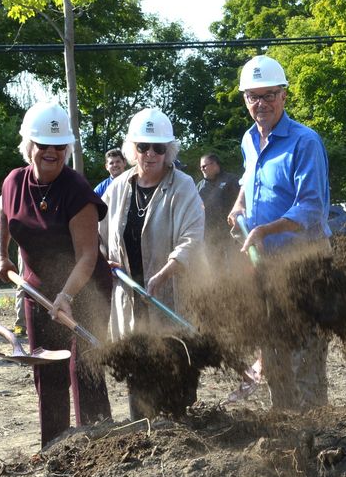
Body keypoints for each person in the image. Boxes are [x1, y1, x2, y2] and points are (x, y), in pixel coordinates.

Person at [0, 100, 113, 444]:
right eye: (43, 144)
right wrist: (1, 255)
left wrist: (67, 296)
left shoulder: (76, 192)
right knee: (48, 369)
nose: (52, 151)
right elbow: (1, 211)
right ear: (28, 145)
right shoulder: (14, 181)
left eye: (59, 145)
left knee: (84, 367)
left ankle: (100, 441)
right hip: (37, 290)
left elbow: (88, 256)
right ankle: (55, 445)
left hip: (86, 288)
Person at [227, 55, 331, 411]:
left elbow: (311, 206)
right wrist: (239, 204)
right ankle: (284, 428)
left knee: (305, 355)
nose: (261, 104)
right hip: (265, 264)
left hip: (304, 265)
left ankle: (317, 433)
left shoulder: (305, 142)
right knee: (273, 352)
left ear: (284, 95)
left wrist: (265, 229)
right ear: (245, 100)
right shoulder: (248, 140)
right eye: (253, 97)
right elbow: (248, 178)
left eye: (269, 95)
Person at [101, 107, 205, 418]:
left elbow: (192, 237)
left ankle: (179, 436)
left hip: (171, 293)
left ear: (168, 150)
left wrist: (167, 270)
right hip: (132, 296)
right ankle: (144, 432)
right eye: (143, 146)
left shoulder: (183, 185)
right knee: (139, 369)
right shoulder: (118, 188)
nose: (151, 154)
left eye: (159, 147)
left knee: (174, 367)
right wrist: (106, 258)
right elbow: (101, 235)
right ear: (132, 149)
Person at [197, 153, 240, 257]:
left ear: (215, 164)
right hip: (210, 236)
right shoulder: (199, 187)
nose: (202, 169)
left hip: (231, 233)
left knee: (234, 264)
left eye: (204, 166)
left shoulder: (232, 180)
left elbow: (241, 203)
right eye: (201, 167)